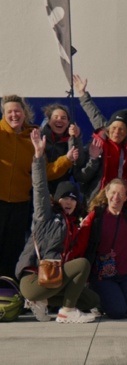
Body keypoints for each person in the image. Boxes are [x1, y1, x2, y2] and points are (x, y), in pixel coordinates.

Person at [17, 131, 98, 323]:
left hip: (53, 277)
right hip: (34, 279)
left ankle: (42, 301)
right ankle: (66, 311)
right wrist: (38, 156)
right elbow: (40, 188)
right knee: (82, 264)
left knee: (92, 300)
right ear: (57, 201)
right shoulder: (45, 216)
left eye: (72, 199)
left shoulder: (73, 224)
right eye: (64, 198)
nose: (68, 202)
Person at [69, 135, 127, 320]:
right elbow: (81, 244)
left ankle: (117, 297)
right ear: (106, 193)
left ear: (126, 196)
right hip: (102, 276)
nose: (116, 197)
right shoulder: (95, 216)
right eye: (113, 193)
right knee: (118, 312)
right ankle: (97, 299)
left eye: (121, 194)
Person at [3, 95, 72, 278]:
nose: (14, 115)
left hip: (20, 203)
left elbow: (46, 171)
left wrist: (67, 159)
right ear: (3, 114)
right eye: (9, 111)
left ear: (24, 113)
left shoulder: (32, 136)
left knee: (13, 249)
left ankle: (8, 290)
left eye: (17, 111)